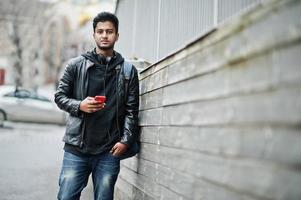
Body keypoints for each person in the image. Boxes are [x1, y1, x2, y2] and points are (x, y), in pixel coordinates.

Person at [54, 12, 139, 200]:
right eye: (100, 31)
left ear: (117, 35)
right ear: (94, 35)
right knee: (66, 197)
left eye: (109, 31)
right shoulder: (75, 65)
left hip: (109, 151)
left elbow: (132, 111)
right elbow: (59, 96)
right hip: (77, 149)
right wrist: (79, 105)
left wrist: (125, 140)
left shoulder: (127, 71)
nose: (104, 35)